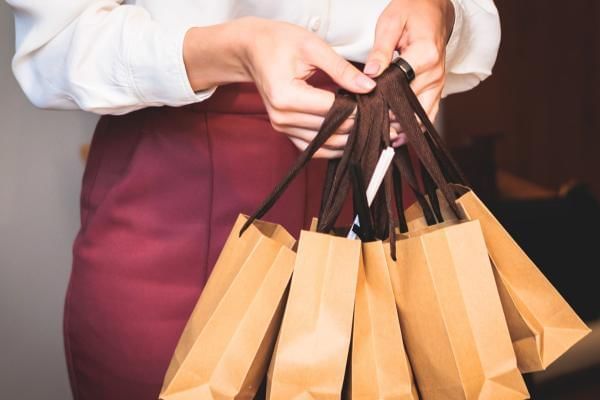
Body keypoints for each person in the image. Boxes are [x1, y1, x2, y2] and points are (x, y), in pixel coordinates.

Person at [8, 0, 501, 398]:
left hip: (382, 178)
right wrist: (232, 50)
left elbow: (477, 13)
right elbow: (53, 44)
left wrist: (443, 14)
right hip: (182, 203)